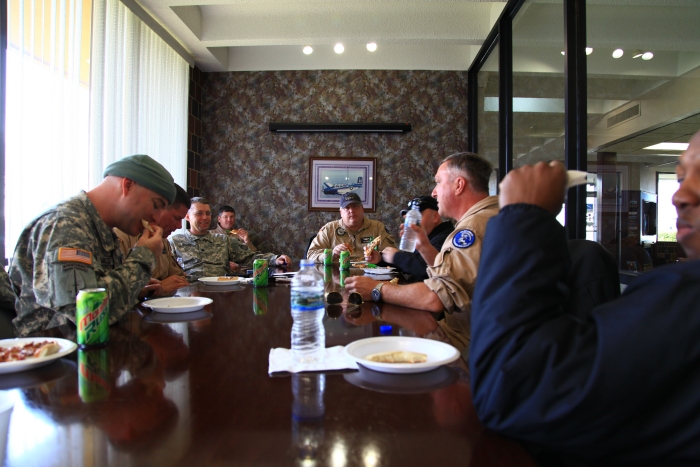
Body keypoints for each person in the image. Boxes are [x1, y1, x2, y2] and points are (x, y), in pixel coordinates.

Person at [469, 131, 700, 465]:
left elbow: (515, 391)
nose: (680, 195)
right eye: (680, 178)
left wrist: (524, 215)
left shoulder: (687, 294)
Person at [345, 152, 499, 353]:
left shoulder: (471, 230)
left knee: (378, 350)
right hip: (477, 334)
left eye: (438, 182)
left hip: (469, 342)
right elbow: (452, 276)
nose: (434, 192)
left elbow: (436, 298)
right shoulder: (488, 217)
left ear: (459, 185)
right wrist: (424, 246)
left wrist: (376, 289)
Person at [9, 154, 174, 336]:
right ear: (127, 185)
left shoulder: (100, 228)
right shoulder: (67, 224)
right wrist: (145, 255)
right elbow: (90, 314)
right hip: (55, 356)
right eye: (156, 205)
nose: (157, 218)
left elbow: (100, 289)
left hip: (92, 352)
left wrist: (136, 287)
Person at [169, 197, 291, 281]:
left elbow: (250, 257)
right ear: (187, 216)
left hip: (220, 293)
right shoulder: (175, 242)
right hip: (189, 294)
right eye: (199, 213)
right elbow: (163, 272)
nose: (205, 218)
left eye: (208, 213)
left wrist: (275, 259)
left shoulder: (223, 240)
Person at [115, 184, 191, 297]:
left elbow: (179, 278)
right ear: (160, 209)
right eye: (176, 218)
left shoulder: (162, 239)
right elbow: (114, 292)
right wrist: (156, 288)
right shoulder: (121, 236)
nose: (180, 226)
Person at [369, 196, 454, 282]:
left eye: (416, 218)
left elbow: (426, 267)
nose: (411, 223)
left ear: (435, 217)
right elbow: (410, 264)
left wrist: (396, 257)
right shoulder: (427, 236)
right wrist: (381, 259)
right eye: (409, 218)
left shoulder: (447, 238)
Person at [307, 192, 397, 263]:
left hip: (370, 278)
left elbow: (393, 255)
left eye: (355, 206)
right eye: (347, 207)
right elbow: (311, 255)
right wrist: (331, 254)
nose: (352, 211)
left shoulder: (378, 228)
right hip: (337, 277)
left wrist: (379, 256)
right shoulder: (329, 229)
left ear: (362, 209)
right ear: (341, 212)